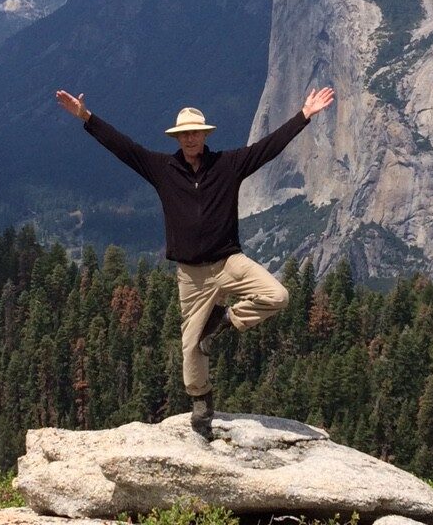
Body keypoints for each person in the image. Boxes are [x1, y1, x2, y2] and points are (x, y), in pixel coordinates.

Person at [55, 86, 335, 439]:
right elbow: (124, 148)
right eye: (184, 134)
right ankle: (202, 403)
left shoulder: (228, 165)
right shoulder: (162, 169)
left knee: (277, 295)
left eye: (195, 133)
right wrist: (86, 117)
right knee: (190, 347)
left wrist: (304, 116)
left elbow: (267, 148)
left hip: (229, 263)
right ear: (177, 137)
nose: (190, 138)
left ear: (205, 136)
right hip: (192, 277)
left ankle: (225, 320)